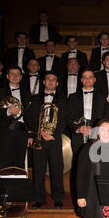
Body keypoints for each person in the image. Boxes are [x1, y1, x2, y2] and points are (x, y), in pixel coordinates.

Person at [26, 71, 68, 208]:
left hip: (54, 139)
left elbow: (63, 120)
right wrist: (36, 133)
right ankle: (39, 198)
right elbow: (30, 118)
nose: (50, 81)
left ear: (57, 83)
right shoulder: (34, 98)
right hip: (39, 138)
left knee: (57, 169)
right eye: (48, 79)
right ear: (44, 82)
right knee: (38, 170)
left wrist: (53, 133)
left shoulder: (62, 99)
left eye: (53, 79)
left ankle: (58, 198)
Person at [0, 65, 32, 169]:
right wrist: (8, 111)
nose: (15, 76)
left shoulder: (26, 93)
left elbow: (30, 115)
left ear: (21, 77)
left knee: (20, 162)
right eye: (12, 74)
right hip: (6, 131)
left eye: (17, 74)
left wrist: (30, 134)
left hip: (22, 131)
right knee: (4, 161)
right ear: (7, 76)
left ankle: (18, 185)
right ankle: (2, 184)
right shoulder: (0, 92)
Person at [68, 67, 107, 155]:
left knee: (96, 163)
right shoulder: (72, 97)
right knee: (79, 162)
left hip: (97, 134)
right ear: (81, 80)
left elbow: (105, 117)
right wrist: (78, 128)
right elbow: (68, 117)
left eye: (90, 77)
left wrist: (96, 128)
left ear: (94, 79)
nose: (88, 79)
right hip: (78, 134)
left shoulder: (102, 97)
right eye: (85, 77)